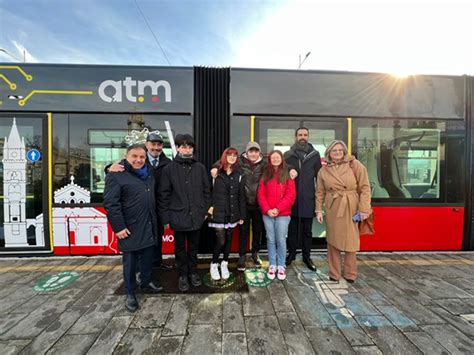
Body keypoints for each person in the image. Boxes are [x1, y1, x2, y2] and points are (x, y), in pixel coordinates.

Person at [104, 144, 164, 313]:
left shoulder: (149, 172)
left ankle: (146, 282)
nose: (138, 160)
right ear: (126, 157)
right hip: (129, 227)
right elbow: (111, 204)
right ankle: (130, 292)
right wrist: (119, 227)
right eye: (134, 157)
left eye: (142, 157)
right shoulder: (116, 175)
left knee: (147, 257)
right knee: (130, 262)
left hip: (149, 223)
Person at [107, 132, 173, 271]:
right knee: (138, 243)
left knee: (156, 238)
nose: (156, 147)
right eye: (152, 144)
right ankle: (138, 271)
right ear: (147, 145)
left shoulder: (168, 163)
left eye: (159, 145)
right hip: (139, 209)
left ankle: (156, 263)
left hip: (157, 208)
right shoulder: (138, 160)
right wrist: (108, 168)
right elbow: (120, 170)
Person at [158, 134, 211, 292]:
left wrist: (205, 211)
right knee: (180, 249)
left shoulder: (200, 167)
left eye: (189, 146)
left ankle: (193, 272)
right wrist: (165, 217)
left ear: (193, 148)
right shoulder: (169, 168)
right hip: (178, 216)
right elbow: (164, 195)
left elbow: (206, 191)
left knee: (194, 247)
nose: (187, 149)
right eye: (183, 146)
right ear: (178, 148)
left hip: (196, 216)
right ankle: (182, 275)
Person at [316, 140, 371, 283]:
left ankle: (350, 273)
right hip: (332, 206)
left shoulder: (355, 165)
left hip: (350, 205)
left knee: (351, 241)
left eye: (340, 150)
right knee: (332, 240)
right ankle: (334, 273)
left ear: (344, 151)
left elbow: (365, 187)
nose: (337, 153)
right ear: (329, 153)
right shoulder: (323, 170)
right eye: (334, 150)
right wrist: (318, 210)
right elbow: (320, 192)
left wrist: (364, 209)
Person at [284, 127, 322, 271]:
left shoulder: (315, 155)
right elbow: (281, 170)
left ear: (308, 136)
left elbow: (320, 177)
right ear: (295, 137)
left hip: (308, 199)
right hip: (291, 199)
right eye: (300, 135)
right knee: (292, 229)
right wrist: (289, 169)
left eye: (305, 135)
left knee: (307, 231)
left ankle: (307, 257)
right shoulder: (288, 155)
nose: (302, 137)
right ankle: (291, 254)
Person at [208, 147, 246, 281]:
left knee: (229, 239)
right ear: (224, 156)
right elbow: (208, 192)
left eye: (235, 155)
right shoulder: (216, 172)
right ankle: (214, 263)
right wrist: (208, 209)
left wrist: (242, 215)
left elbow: (241, 196)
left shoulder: (239, 174)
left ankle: (224, 263)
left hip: (233, 212)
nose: (232, 157)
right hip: (218, 212)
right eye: (229, 155)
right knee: (221, 240)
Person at [257, 150, 296, 281]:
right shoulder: (265, 174)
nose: (275, 160)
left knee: (280, 239)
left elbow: (291, 196)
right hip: (267, 213)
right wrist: (268, 209)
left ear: (281, 159)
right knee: (270, 239)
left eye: (277, 158)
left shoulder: (287, 174)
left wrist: (278, 209)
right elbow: (261, 194)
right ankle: (272, 264)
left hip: (283, 214)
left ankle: (281, 265)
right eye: (273, 158)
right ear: (269, 160)